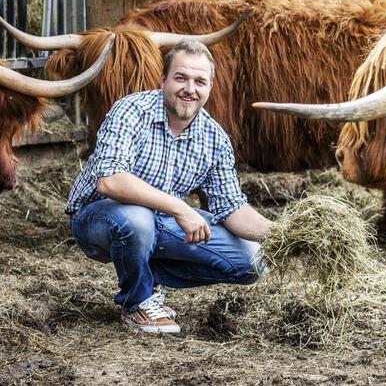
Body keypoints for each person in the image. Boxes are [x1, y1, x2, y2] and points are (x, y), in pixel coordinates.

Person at [66, 40, 272, 334]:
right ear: (163, 80)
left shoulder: (214, 138)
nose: (190, 88)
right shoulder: (131, 111)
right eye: (181, 78)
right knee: (137, 221)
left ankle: (147, 276)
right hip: (97, 219)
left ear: (209, 88)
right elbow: (110, 180)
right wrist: (180, 208)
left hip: (160, 223)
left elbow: (232, 208)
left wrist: (286, 235)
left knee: (253, 260)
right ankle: (138, 302)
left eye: (200, 81)